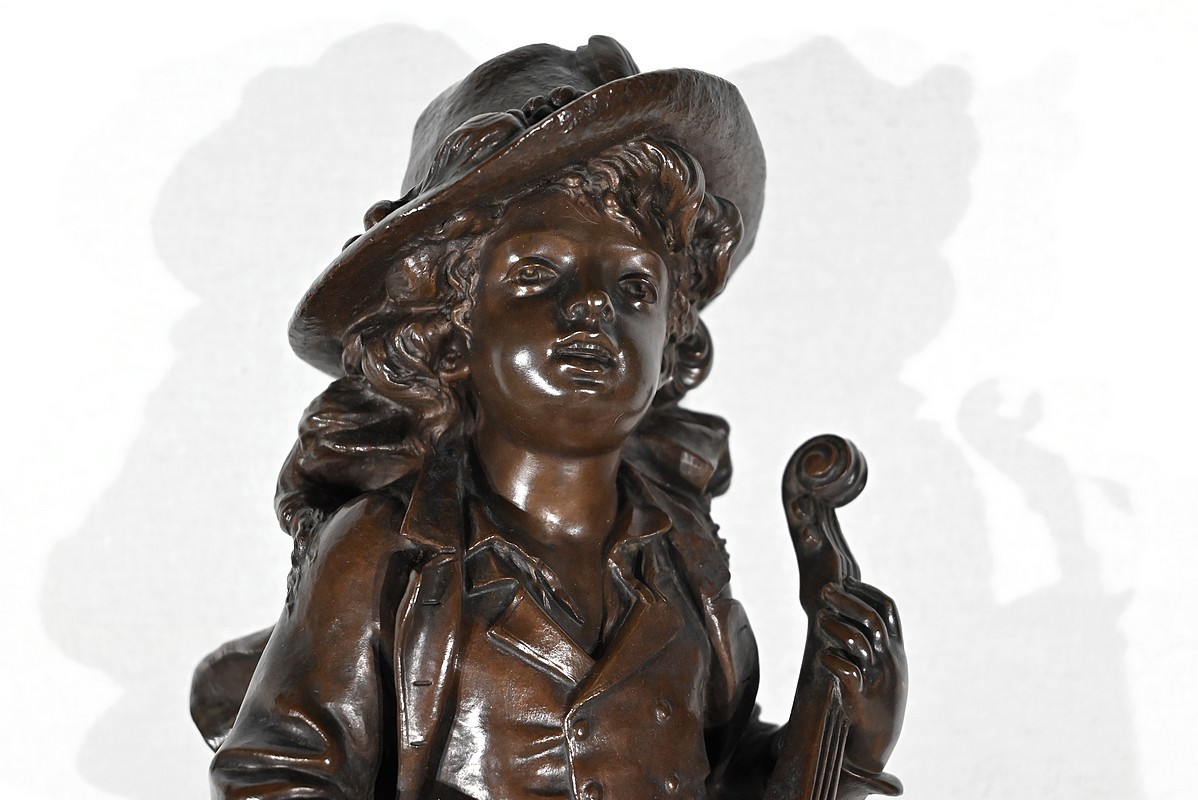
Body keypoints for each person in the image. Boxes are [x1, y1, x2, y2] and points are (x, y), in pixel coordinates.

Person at [192, 36, 906, 800]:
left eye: (635, 287)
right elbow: (278, 776)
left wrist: (848, 733)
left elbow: (729, 774)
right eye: (538, 271)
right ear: (451, 326)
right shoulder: (384, 551)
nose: (594, 305)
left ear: (672, 341)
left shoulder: (687, 563)